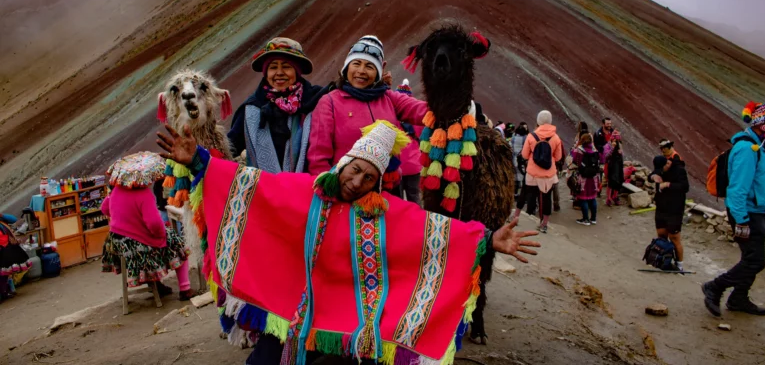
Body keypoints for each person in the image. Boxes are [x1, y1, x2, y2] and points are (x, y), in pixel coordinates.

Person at [156, 121, 540, 364]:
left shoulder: (383, 213)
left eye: (369, 179)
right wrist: (200, 162)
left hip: (350, 320)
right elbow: (252, 187)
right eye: (355, 171)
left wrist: (488, 240)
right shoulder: (302, 191)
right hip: (294, 312)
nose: (357, 182)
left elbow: (433, 232)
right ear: (344, 164)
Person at [308, 36, 428, 193]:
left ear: (379, 72)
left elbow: (422, 111)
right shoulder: (330, 102)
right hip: (348, 190)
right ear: (346, 67)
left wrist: (457, 105)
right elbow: (318, 156)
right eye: (356, 64)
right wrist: (327, 189)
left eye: (370, 66)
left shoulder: (388, 98)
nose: (361, 71)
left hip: (387, 190)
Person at [101, 152, 197, 300]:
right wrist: (161, 234)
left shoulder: (116, 190)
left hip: (117, 244)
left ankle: (157, 285)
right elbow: (153, 224)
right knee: (178, 245)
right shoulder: (144, 194)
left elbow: (104, 209)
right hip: (137, 245)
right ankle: (185, 289)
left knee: (160, 242)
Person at [702, 102, 765, 317]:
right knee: (755, 260)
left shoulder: (760, 147)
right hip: (746, 213)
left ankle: (739, 298)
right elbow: (737, 189)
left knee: (752, 259)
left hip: (756, 211)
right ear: (763, 124)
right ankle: (715, 287)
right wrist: (741, 220)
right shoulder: (747, 150)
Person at [228, 37, 327, 172]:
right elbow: (229, 149)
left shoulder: (317, 100)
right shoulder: (252, 109)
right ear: (266, 73)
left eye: (286, 67)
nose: (279, 73)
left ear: (297, 71)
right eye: (273, 67)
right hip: (264, 189)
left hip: (308, 186)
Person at [514, 111, 563, 233]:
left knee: (524, 194)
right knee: (546, 199)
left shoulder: (531, 136)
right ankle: (544, 224)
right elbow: (558, 158)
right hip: (548, 175)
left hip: (532, 174)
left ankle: (515, 217)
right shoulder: (556, 138)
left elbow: (525, 155)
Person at [650, 154, 689, 270]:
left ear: (667, 163)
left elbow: (685, 187)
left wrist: (667, 184)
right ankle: (665, 260)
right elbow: (651, 175)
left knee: (674, 237)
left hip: (675, 209)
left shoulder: (679, 170)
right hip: (661, 207)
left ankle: (679, 265)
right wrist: (653, 177)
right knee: (661, 235)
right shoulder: (660, 169)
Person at [394, 79, 422, 205]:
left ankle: (399, 222)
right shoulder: (416, 116)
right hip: (414, 165)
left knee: (398, 199)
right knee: (414, 197)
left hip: (396, 166)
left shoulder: (392, 115)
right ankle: (417, 222)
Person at [570, 134, 600, 225]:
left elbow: (574, 160)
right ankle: (593, 218)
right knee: (592, 198)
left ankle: (585, 219)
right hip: (594, 178)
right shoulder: (595, 151)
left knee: (583, 198)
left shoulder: (579, 151)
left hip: (583, 178)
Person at [0, 220, 32, 302]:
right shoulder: (2, 225)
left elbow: (12, 219)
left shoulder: (2, 224)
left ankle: (5, 292)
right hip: (4, 249)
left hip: (5, 250)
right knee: (3, 274)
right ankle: (4, 292)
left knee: (4, 274)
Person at [510, 122, 529, 202]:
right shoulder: (526, 138)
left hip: (514, 160)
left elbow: (510, 148)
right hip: (522, 161)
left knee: (515, 178)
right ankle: (523, 196)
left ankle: (514, 194)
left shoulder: (513, 138)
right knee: (524, 178)